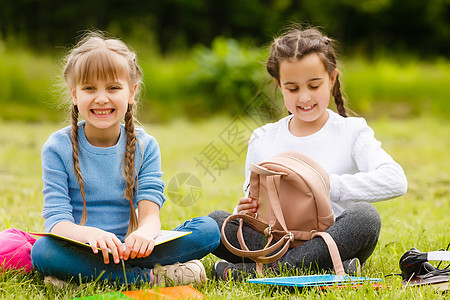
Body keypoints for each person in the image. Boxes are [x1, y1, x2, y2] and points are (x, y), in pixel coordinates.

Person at [209, 25, 408, 280]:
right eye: (292, 89)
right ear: (279, 85)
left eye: (314, 85)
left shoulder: (352, 131)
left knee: (366, 217)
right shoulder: (263, 138)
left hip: (332, 238)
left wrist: (323, 184)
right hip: (274, 241)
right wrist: (246, 210)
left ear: (332, 79)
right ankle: (326, 268)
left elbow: (396, 180)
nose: (304, 97)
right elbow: (253, 199)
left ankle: (267, 272)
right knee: (215, 222)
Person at [31, 31, 220, 286]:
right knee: (43, 251)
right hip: (83, 247)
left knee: (207, 230)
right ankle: (149, 278)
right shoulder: (57, 147)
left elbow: (150, 215)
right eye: (89, 88)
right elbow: (57, 222)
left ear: (131, 92)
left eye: (113, 88)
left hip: (135, 249)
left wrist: (144, 234)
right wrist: (91, 235)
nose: (101, 98)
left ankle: (85, 277)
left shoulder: (146, 146)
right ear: (74, 94)